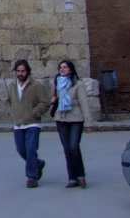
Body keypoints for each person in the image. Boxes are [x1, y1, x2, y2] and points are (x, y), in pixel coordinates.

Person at [7, 59, 50, 188]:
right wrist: (12, 112)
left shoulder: (36, 86)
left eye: (23, 71)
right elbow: (8, 101)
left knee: (31, 149)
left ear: (28, 71)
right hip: (18, 123)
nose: (20, 73)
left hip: (32, 123)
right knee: (21, 150)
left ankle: (32, 177)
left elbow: (45, 102)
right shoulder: (12, 86)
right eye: (18, 71)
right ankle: (38, 164)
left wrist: (34, 112)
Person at [50, 59, 91, 188]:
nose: (62, 69)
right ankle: (72, 178)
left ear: (71, 70)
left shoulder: (78, 84)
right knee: (67, 149)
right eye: (60, 67)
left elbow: (84, 103)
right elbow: (53, 98)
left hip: (76, 119)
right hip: (61, 118)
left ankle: (81, 175)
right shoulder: (57, 82)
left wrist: (88, 122)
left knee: (74, 146)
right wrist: (53, 100)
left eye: (65, 67)